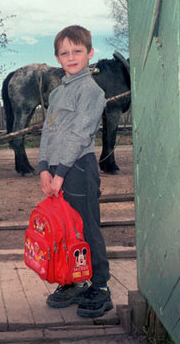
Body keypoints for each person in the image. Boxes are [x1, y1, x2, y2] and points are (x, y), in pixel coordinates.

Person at [38, 25, 112, 318]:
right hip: (56, 169)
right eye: (64, 53)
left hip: (78, 168)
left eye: (77, 51)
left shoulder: (91, 91)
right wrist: (44, 168)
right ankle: (75, 280)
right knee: (66, 231)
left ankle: (101, 286)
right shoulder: (57, 94)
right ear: (57, 58)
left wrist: (62, 172)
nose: (71, 57)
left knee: (86, 228)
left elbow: (80, 135)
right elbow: (48, 131)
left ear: (90, 53)